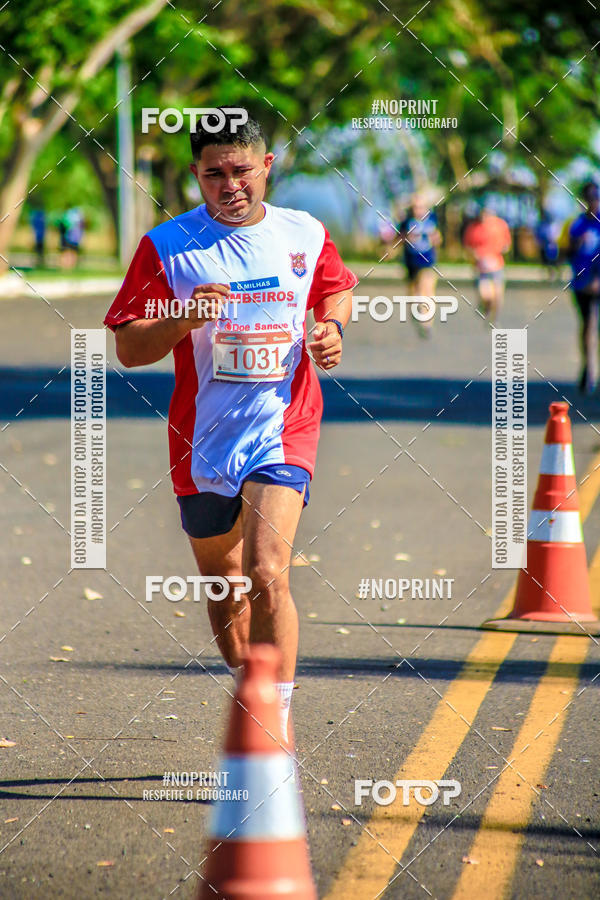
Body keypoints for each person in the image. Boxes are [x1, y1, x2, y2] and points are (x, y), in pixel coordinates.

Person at [104, 112, 356, 742]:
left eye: (241, 170)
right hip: (202, 441)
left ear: (266, 167)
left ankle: (278, 719)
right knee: (225, 585)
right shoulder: (167, 246)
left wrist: (332, 329)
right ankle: (253, 686)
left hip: (284, 426)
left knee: (269, 568)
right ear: (196, 174)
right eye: (214, 173)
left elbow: (337, 292)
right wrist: (184, 319)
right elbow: (131, 350)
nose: (230, 184)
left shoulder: (304, 232)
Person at [567, 181, 600, 394]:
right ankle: (587, 368)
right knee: (587, 325)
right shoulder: (577, 225)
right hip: (581, 283)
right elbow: (570, 254)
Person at [398, 194, 441, 337]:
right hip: (411, 262)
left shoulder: (432, 219)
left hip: (427, 261)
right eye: (415, 207)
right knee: (413, 293)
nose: (418, 210)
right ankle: (417, 313)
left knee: (427, 289)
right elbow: (400, 238)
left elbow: (438, 238)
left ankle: (427, 323)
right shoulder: (406, 221)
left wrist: (434, 238)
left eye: (421, 207)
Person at [463, 205, 511, 322]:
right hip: (481, 267)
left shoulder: (500, 225)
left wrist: (502, 248)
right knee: (486, 295)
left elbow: (507, 244)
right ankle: (485, 307)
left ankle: (494, 319)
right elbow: (467, 246)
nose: (485, 217)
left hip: (497, 265)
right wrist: (474, 255)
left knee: (498, 295)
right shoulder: (473, 228)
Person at [535, 212, 560, 279]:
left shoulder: (555, 225)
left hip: (554, 246)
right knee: (546, 261)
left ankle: (556, 274)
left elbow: (557, 236)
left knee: (554, 261)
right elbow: (539, 235)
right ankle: (548, 274)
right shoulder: (543, 225)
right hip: (545, 245)